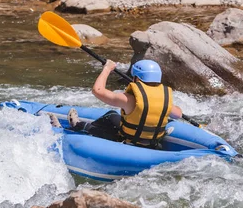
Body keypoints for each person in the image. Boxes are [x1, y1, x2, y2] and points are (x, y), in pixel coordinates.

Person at [49, 59, 183, 149]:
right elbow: (178, 114)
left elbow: (97, 91)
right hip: (152, 144)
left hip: (127, 144)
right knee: (111, 115)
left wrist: (107, 69)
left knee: (99, 127)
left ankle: (74, 127)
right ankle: (78, 126)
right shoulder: (166, 100)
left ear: (136, 78)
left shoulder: (129, 99)